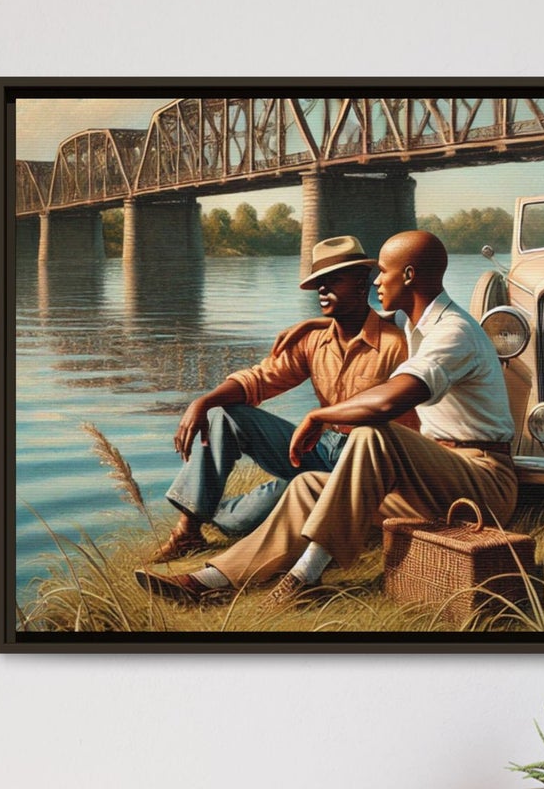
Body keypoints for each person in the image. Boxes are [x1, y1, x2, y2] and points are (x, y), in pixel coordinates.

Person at [136, 229, 517, 605]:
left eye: (381, 273)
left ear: (409, 276)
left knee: (373, 432)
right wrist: (316, 324)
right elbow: (359, 321)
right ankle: (209, 580)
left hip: (480, 479)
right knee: (306, 488)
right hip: (430, 480)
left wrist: (319, 416)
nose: (376, 282)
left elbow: (390, 402)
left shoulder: (451, 332)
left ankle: (305, 577)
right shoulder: (418, 325)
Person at [145, 234, 417, 563]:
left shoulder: (400, 344)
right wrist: (202, 402)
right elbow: (259, 380)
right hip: (324, 447)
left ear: (362, 284)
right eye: (319, 281)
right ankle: (187, 531)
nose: (322, 289)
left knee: (239, 522)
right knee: (224, 415)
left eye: (334, 280)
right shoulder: (313, 341)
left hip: (370, 464)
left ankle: (226, 507)